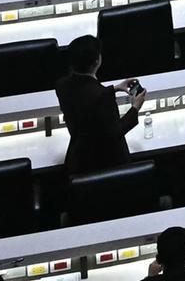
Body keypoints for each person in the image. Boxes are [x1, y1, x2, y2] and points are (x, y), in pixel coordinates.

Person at [57, 34, 146, 175]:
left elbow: (85, 98)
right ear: (97, 61)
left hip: (79, 159)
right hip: (106, 162)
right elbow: (115, 132)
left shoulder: (61, 85)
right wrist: (135, 107)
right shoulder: (102, 96)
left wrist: (113, 89)